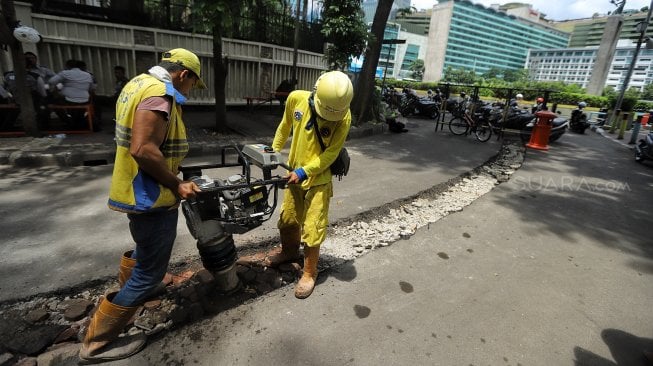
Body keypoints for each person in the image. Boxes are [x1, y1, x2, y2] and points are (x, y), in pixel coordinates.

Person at [78, 48, 206, 363]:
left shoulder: (137, 83)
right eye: (192, 85)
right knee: (150, 270)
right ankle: (98, 342)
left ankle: (134, 287)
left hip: (135, 189)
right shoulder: (160, 94)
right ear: (184, 74)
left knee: (144, 249)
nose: (189, 91)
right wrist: (176, 184)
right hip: (150, 195)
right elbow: (143, 148)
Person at [239, 71, 353, 299]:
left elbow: (331, 153)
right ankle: (289, 253)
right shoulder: (296, 99)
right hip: (294, 174)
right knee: (289, 218)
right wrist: (271, 154)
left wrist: (305, 171)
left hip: (318, 179)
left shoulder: (344, 116)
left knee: (313, 226)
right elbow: (284, 126)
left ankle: (310, 272)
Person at [48, 59, 96, 129]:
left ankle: (68, 122)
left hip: (68, 100)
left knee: (51, 103)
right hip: (85, 100)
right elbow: (91, 88)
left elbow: (51, 81)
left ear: (67, 66)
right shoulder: (88, 75)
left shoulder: (65, 73)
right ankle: (78, 122)